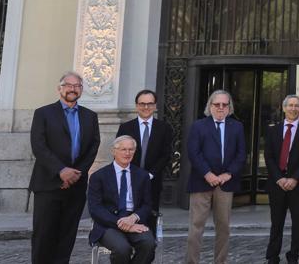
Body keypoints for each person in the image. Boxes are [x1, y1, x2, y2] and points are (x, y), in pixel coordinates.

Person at [29, 71, 99, 264]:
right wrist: (61, 171)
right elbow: (39, 146)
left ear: (81, 90)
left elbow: (94, 146)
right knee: (44, 235)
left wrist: (76, 174)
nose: (72, 89)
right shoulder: (43, 113)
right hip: (48, 184)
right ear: (59, 88)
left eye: (77, 86)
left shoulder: (90, 116)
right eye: (68, 85)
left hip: (75, 186)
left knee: (66, 236)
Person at [185, 89, 246, 264]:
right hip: (201, 182)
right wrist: (208, 174)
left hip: (226, 184)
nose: (220, 108)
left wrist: (228, 174)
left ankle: (220, 261)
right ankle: (191, 262)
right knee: (196, 227)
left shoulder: (237, 127)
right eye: (216, 104)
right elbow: (193, 153)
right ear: (210, 106)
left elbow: (241, 154)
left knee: (224, 228)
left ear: (229, 107)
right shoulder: (199, 126)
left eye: (224, 105)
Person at [264, 94, 299, 264]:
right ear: (284, 107)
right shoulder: (273, 129)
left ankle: (293, 256)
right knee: (276, 223)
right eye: (290, 105)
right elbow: (269, 156)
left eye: (297, 106)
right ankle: (272, 257)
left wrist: (294, 179)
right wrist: (279, 179)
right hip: (276, 184)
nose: (293, 109)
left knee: (298, 223)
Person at [86, 135, 156, 264]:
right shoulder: (98, 176)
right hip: (108, 224)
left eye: (131, 149)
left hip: (133, 220)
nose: (127, 153)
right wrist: (122, 224)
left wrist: (133, 218)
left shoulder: (142, 175)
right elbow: (95, 208)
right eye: (123, 149)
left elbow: (147, 205)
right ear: (114, 151)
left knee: (149, 244)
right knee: (122, 249)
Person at [115, 89, 174, 232]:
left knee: (149, 221)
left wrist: (150, 175)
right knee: (127, 218)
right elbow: (118, 152)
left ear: (155, 106)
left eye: (150, 104)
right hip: (128, 181)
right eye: (142, 104)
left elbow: (166, 154)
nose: (146, 107)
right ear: (136, 105)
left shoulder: (165, 128)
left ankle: (148, 252)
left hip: (152, 182)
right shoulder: (126, 127)